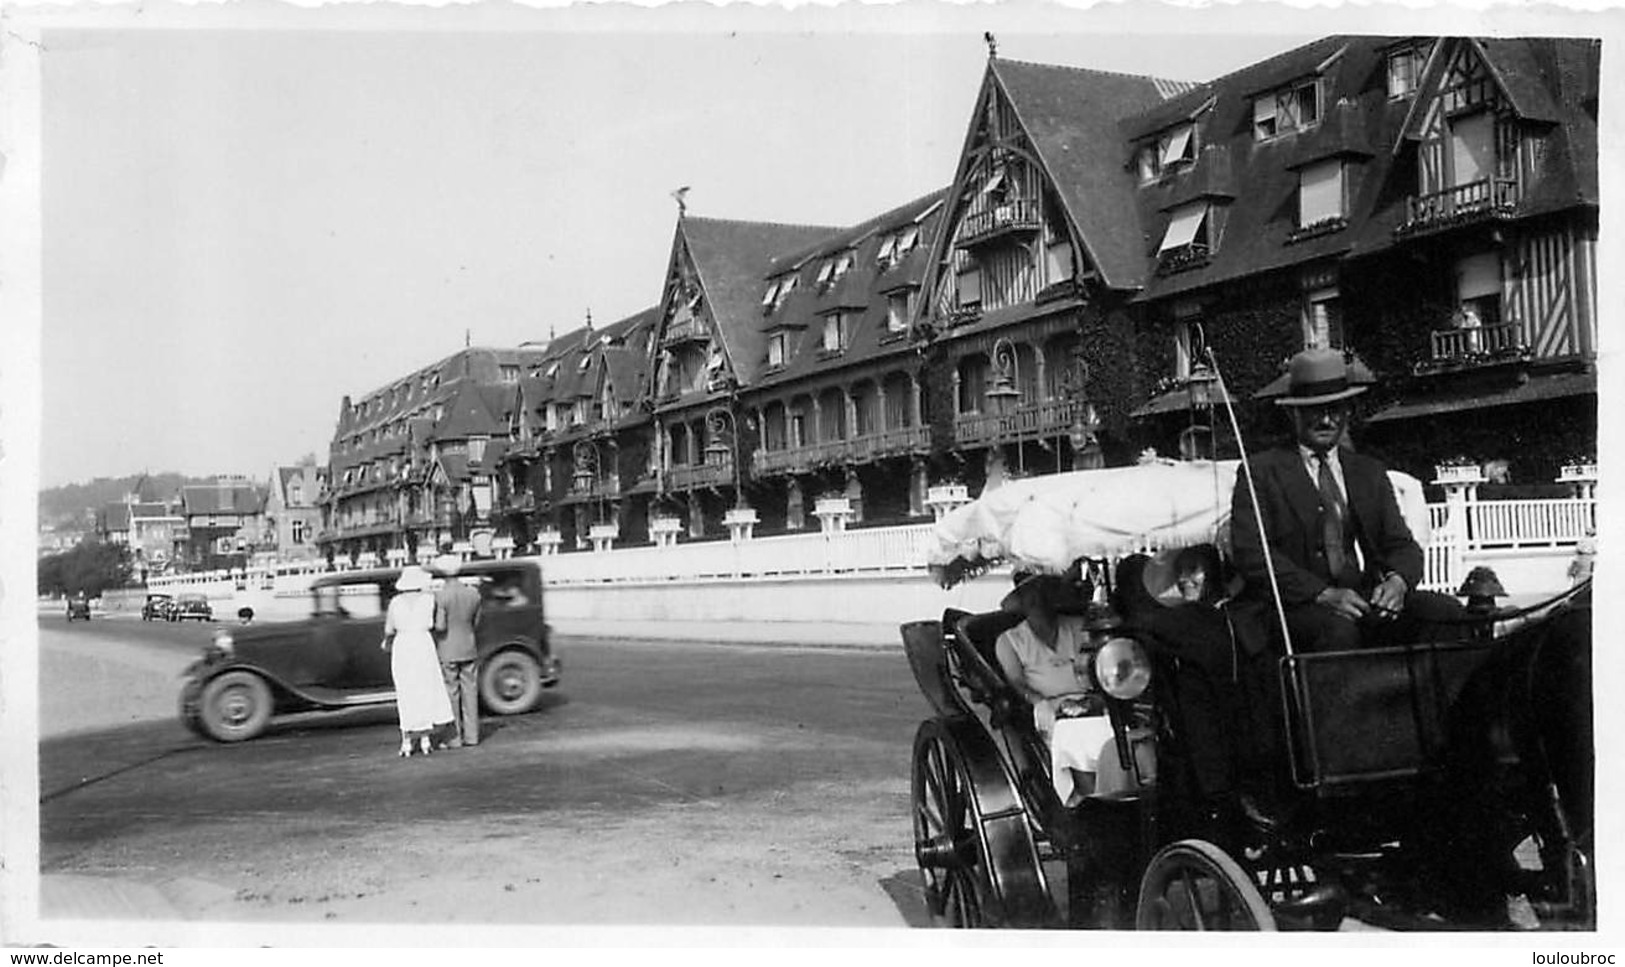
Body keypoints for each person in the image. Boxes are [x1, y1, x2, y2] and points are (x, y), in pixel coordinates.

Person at [1230, 348, 1466, 654]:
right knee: (1337, 631)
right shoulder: (1261, 472)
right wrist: (1323, 594)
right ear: (1293, 413)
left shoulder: (1367, 471)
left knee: (1445, 612)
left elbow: (1401, 544)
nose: (1327, 419)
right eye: (1315, 410)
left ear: (1347, 411)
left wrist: (1398, 583)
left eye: (1335, 409)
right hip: (1294, 608)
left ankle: (1432, 701)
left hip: (1361, 602)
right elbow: (1252, 553)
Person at [994, 570, 1122, 805]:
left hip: (1091, 700)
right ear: (1023, 602)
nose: (1039, 602)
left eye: (1044, 593)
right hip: (1047, 706)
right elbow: (1016, 681)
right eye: (1032, 597)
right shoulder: (1009, 640)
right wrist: (1039, 702)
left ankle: (1118, 791)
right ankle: (1086, 799)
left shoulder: (1077, 626)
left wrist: (1095, 698)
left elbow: (1099, 662)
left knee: (1118, 730)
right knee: (1077, 737)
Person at [381, 565, 454, 758]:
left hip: (404, 646)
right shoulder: (429, 600)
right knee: (425, 689)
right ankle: (425, 739)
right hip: (423, 644)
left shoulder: (395, 602)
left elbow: (389, 629)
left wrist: (387, 640)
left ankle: (406, 739)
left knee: (406, 692)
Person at [433, 547, 483, 749]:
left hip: (448, 648)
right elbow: (476, 622)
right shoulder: (473, 594)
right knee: (470, 691)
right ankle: (473, 736)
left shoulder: (441, 596)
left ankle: (454, 737)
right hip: (469, 645)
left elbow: (440, 626)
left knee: (451, 693)